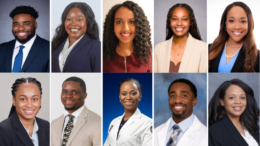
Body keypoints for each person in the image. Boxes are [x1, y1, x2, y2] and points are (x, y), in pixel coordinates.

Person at [154, 3, 207, 73]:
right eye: (175, 19)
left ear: (190, 22)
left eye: (184, 19)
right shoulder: (158, 49)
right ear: (170, 22)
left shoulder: (203, 48)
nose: (179, 23)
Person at [208, 2, 259, 72]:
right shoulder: (209, 49)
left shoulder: (257, 57)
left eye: (243, 21)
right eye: (231, 21)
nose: (237, 27)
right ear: (225, 23)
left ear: (250, 24)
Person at [154, 79, 207, 146]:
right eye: (173, 96)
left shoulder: (206, 136)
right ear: (168, 100)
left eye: (184, 95)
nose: (177, 101)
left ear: (194, 101)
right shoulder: (154, 132)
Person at [103, 1, 152, 73]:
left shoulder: (146, 55)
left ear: (139, 25)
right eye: (119, 22)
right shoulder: (102, 55)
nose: (125, 28)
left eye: (131, 22)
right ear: (112, 26)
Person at [51, 77, 101, 146]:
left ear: (85, 95)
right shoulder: (54, 123)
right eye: (64, 92)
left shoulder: (98, 122)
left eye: (75, 92)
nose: (68, 96)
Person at [52, 2, 101, 72]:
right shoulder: (56, 45)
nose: (73, 23)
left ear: (88, 22)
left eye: (79, 19)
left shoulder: (96, 46)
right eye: (69, 19)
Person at [0, 77, 50, 146]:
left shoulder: (46, 126)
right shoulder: (2, 131)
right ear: (14, 100)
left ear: (40, 100)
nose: (29, 105)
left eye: (34, 99)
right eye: (23, 99)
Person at [209, 79, 259, 146]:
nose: (238, 102)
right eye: (232, 97)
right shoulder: (215, 131)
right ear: (222, 101)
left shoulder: (251, 126)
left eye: (242, 97)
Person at [0, 6, 49, 72]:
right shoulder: (2, 49)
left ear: (35, 25)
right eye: (16, 24)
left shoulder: (49, 49)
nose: (20, 28)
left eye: (26, 24)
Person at [104, 78, 152, 146]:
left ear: (140, 95)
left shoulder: (148, 123)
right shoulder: (114, 122)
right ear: (119, 96)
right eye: (124, 94)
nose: (128, 97)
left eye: (133, 93)